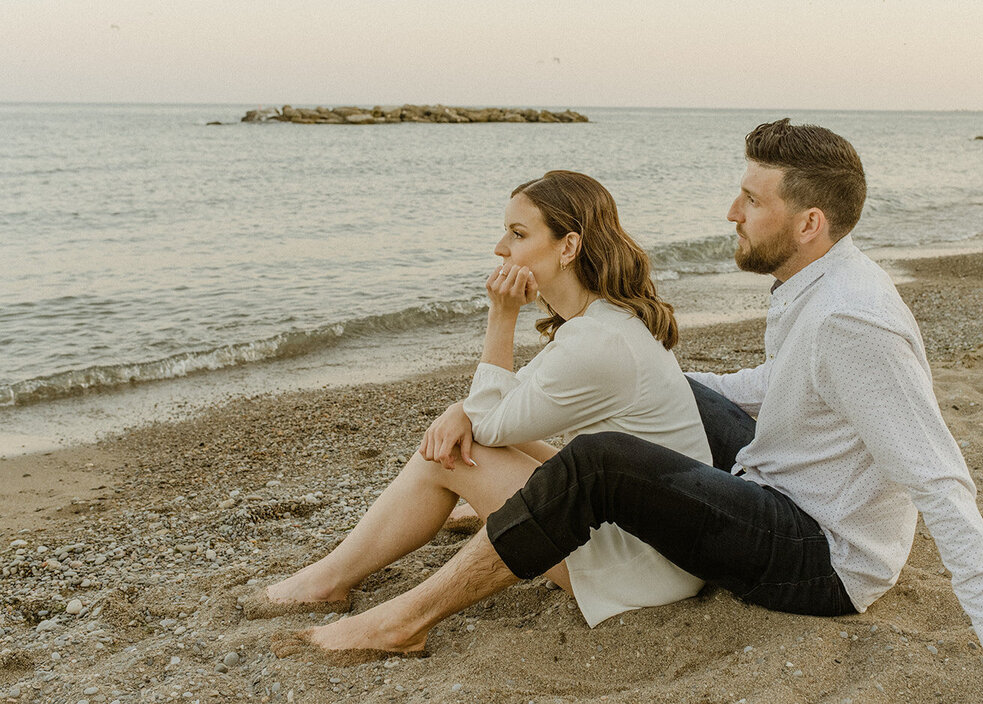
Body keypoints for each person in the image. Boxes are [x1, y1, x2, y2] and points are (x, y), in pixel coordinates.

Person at [270, 121, 983, 704]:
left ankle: (403, 620)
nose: (731, 212)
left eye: (752, 201)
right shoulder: (814, 282)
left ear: (809, 222)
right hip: (780, 481)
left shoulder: (854, 318)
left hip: (821, 556)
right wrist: (659, 377)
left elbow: (941, 479)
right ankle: (491, 516)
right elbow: (783, 384)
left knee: (603, 458)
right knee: (670, 400)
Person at [265, 170, 712, 662]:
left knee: (453, 454)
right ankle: (336, 574)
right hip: (663, 543)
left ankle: (327, 581)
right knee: (469, 435)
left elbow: (491, 423)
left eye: (518, 234)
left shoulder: (597, 342)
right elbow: (506, 404)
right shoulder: (603, 322)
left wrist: (501, 315)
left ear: (568, 247)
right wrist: (463, 411)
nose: (501, 248)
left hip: (644, 568)